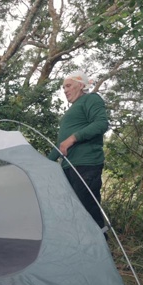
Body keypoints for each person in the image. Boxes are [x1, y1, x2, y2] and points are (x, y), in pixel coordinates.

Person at [48, 70, 109, 232]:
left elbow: (101, 124)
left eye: (68, 86)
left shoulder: (91, 99)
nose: (65, 90)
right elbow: (62, 144)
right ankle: (82, 249)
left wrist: (73, 138)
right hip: (69, 166)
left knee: (87, 207)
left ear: (81, 85)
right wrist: (45, 162)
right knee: (73, 209)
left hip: (86, 164)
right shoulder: (73, 109)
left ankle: (100, 247)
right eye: (63, 88)